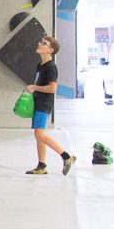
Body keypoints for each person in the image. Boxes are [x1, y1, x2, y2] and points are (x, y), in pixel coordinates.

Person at [25, 36, 75, 175]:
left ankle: (66, 157)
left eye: (44, 43)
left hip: (44, 105)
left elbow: (52, 88)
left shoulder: (51, 67)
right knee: (38, 135)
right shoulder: (40, 65)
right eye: (40, 41)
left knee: (40, 135)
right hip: (38, 103)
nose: (39, 44)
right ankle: (41, 166)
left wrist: (34, 87)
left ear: (50, 50)